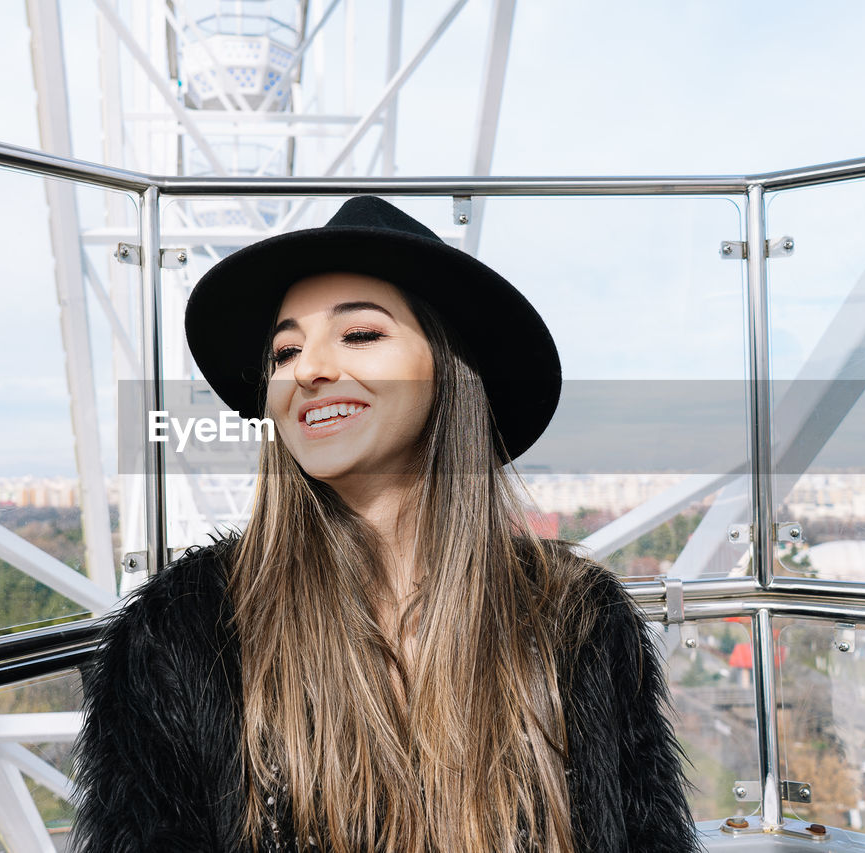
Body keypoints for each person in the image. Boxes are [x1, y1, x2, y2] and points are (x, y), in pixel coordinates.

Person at [72, 196, 699, 852]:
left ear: (450, 370)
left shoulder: (577, 622)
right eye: (285, 351)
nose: (306, 370)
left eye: (361, 334)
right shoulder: (185, 636)